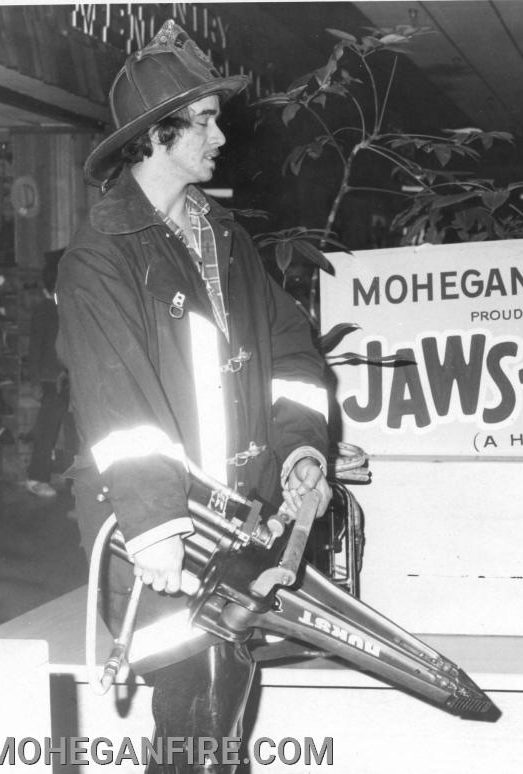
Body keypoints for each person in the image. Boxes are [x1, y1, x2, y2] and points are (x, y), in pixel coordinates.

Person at [56, 21, 333, 773]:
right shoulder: (101, 257)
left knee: (221, 714)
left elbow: (291, 349)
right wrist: (155, 529)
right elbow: (119, 405)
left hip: (235, 525)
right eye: (205, 120)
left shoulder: (224, 239)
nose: (219, 135)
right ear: (156, 134)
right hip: (166, 538)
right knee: (195, 723)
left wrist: (301, 447)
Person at [24, 249, 76, 497]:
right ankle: (36, 478)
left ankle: (74, 484)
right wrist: (35, 380)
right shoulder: (45, 310)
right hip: (50, 380)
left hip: (67, 380)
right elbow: (34, 349)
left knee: (73, 432)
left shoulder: (63, 308)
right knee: (47, 431)